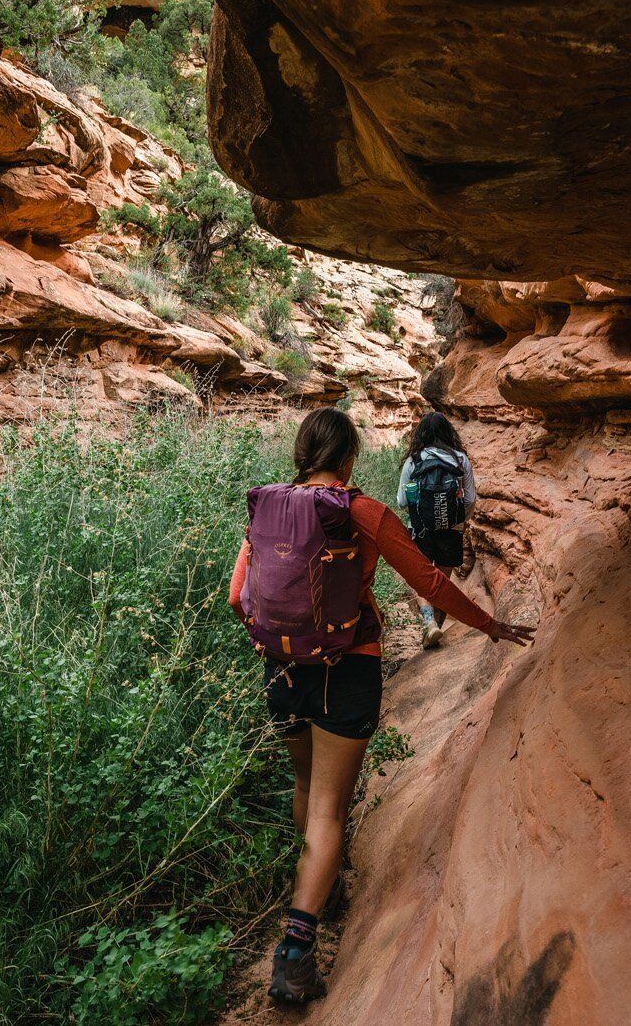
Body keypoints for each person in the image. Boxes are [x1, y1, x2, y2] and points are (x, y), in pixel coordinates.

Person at [228, 408, 532, 1004]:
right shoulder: (361, 511)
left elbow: (238, 596)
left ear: (300, 453)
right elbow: (431, 583)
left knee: (305, 783)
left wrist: (282, 641)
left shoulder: (266, 508)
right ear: (349, 458)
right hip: (348, 669)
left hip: (283, 668)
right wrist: (491, 626)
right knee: (328, 813)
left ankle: (322, 886)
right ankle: (295, 951)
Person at [397, 412, 477, 650]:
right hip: (451, 530)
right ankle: (436, 630)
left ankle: (429, 622)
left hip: (421, 529)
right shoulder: (461, 460)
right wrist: (457, 520)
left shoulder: (413, 460)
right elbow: (470, 499)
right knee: (442, 581)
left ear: (420, 434)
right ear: (448, 433)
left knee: (420, 579)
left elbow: (402, 501)